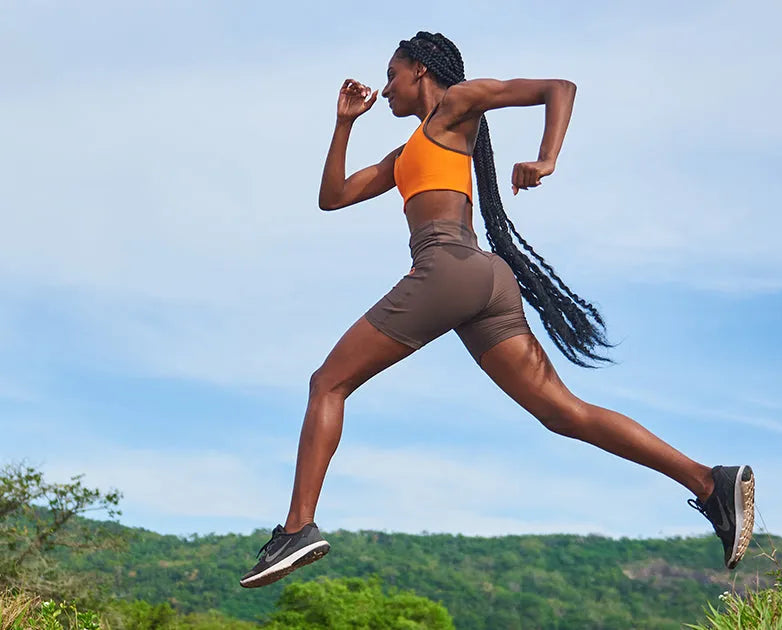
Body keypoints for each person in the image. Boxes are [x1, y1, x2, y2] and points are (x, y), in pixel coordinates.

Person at [240, 31, 755, 589]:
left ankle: (298, 527)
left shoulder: (455, 106)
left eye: (392, 74)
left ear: (420, 70)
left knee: (327, 384)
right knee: (563, 412)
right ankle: (709, 482)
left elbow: (559, 88)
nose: (385, 88)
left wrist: (547, 158)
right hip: (485, 280)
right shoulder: (407, 153)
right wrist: (344, 123)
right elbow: (333, 196)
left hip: (447, 268)